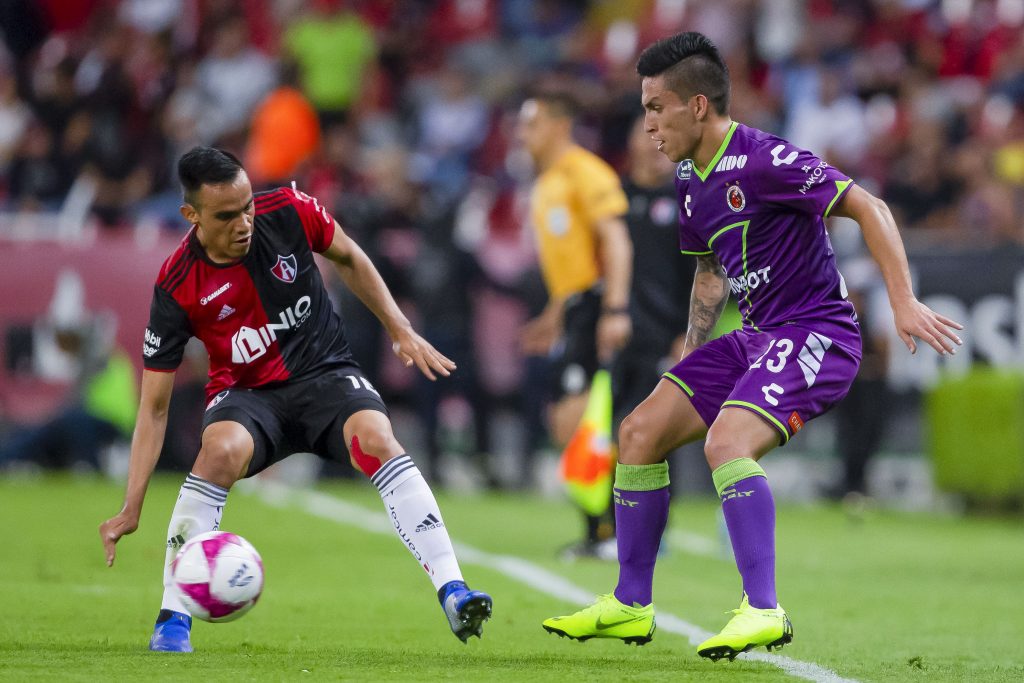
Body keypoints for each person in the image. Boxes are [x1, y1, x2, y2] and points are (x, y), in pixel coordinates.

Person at [542, 32, 962, 661]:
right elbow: (711, 273)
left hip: (818, 330)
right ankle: (631, 604)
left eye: (656, 107)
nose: (648, 124)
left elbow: (869, 206)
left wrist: (902, 301)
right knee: (637, 432)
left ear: (698, 107)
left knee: (727, 443)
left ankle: (763, 610)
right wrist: (690, 353)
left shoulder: (765, 159)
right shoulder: (690, 181)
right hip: (755, 338)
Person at [98, 147, 492, 653]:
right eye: (226, 215)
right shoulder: (177, 285)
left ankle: (454, 591)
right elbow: (153, 408)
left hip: (325, 376)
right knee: (217, 451)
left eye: (246, 207)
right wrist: (132, 506)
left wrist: (400, 329)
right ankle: (173, 618)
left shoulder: (287, 209)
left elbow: (349, 255)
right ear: (190, 215)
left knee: (377, 437)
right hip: (248, 397)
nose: (243, 222)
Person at [516, 91, 633, 559]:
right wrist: (553, 316)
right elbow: (571, 265)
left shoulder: (586, 173)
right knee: (571, 423)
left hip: (600, 306)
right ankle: (600, 529)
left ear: (560, 125)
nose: (524, 136)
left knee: (584, 421)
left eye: (532, 125)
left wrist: (616, 308)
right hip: (577, 310)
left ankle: (609, 530)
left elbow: (618, 242)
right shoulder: (546, 183)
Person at [613, 116, 693, 444]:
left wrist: (686, 334)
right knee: (609, 425)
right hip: (615, 329)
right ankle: (606, 496)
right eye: (647, 134)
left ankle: (658, 496)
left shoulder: (686, 201)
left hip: (662, 332)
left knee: (655, 431)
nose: (655, 143)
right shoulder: (612, 198)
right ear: (631, 143)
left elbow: (700, 275)